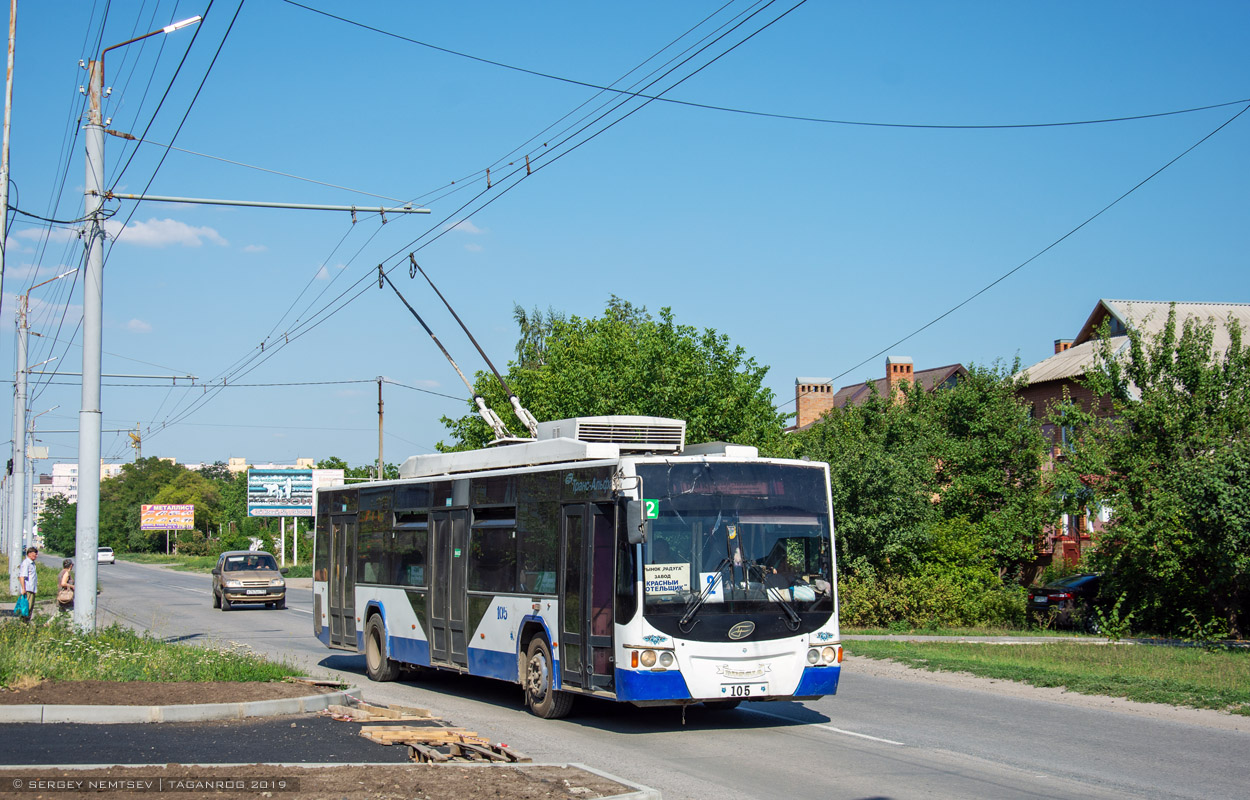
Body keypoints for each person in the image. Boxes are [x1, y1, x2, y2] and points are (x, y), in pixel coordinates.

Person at [17, 546, 38, 621]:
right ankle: (23, 624)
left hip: (32, 589)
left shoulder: (32, 563)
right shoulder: (26, 563)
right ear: (29, 554)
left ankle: (26, 623)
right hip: (27, 589)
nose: (36, 556)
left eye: (36, 554)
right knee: (26, 608)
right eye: (34, 554)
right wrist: (23, 589)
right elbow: (22, 576)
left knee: (30, 608)